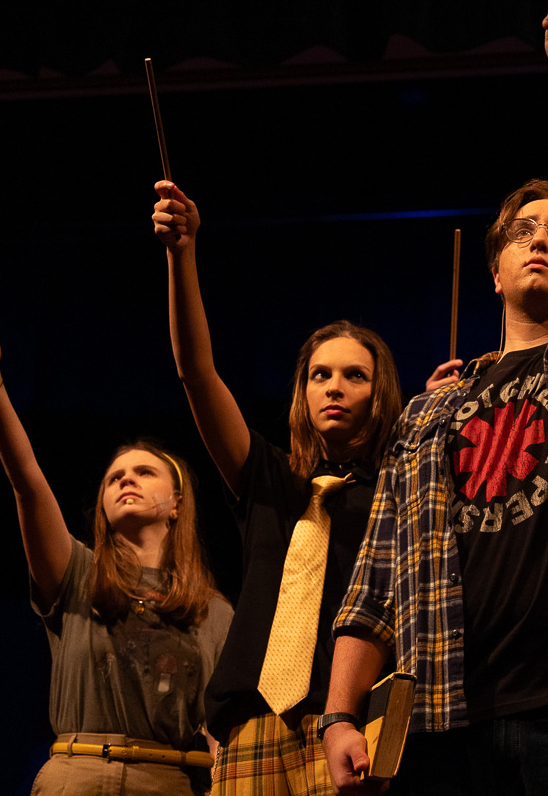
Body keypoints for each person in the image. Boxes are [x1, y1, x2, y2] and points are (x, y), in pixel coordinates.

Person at [322, 3, 548, 794]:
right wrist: (341, 714)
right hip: (448, 721)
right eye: (523, 230)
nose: (541, 237)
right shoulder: (428, 414)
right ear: (494, 273)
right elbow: (376, 580)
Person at [152, 182, 403, 794]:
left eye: (354, 375)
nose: (334, 386)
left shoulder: (400, 489)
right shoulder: (269, 477)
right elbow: (196, 373)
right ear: (303, 390)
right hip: (251, 727)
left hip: (349, 724)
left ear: (379, 392)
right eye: (320, 374)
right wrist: (182, 255)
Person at [0, 324, 232, 795]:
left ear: (177, 503)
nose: (126, 480)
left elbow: (221, 729)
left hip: (170, 782)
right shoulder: (77, 573)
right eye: (114, 478)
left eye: (144, 472)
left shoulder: (214, 610)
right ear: (103, 507)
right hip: (80, 774)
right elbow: (27, 482)